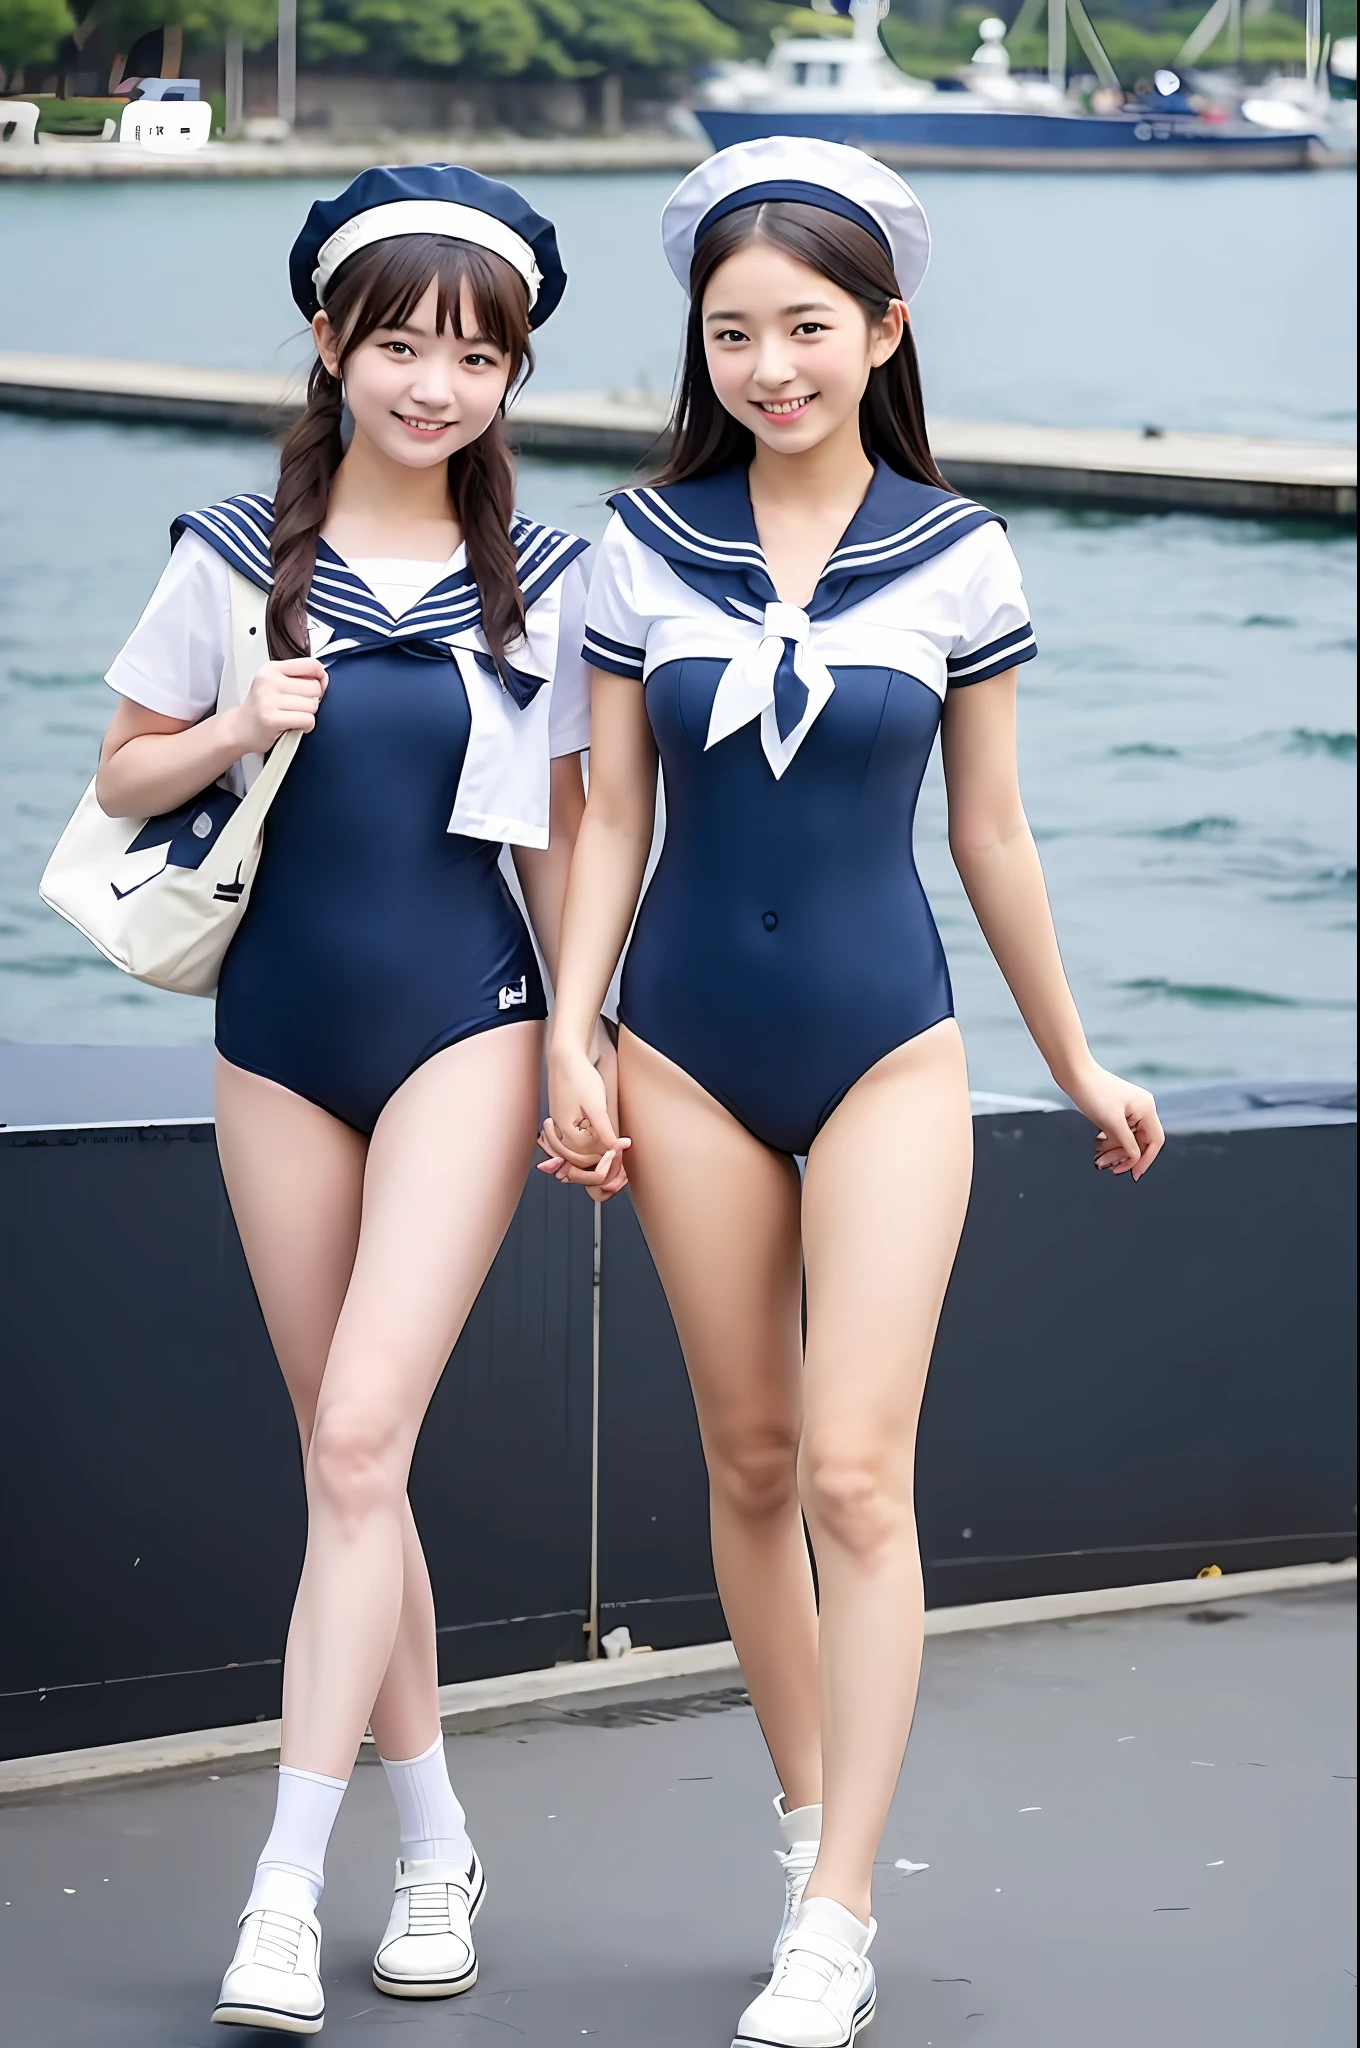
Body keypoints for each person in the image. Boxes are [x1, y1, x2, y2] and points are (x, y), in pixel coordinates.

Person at [540, 137, 1164, 2048]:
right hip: (687, 1044)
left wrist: (1075, 1056)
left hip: (894, 1047)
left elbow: (993, 833)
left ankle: (838, 1913)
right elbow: (612, 815)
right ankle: (811, 1814)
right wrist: (573, 1032)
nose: (768, 363)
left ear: (885, 328)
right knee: (743, 1464)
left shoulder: (958, 549)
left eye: (806, 325)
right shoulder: (641, 546)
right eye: (732, 331)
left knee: (852, 1472)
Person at [93, 164, 601, 2034]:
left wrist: (579, 1042)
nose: (434, 384)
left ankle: (280, 1895)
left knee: (362, 1444)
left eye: (475, 353)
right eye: (401, 342)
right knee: (347, 1467)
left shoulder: (547, 582)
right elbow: (130, 772)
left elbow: (560, 841)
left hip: (465, 1022)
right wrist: (243, 722)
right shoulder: (233, 550)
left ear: (511, 374)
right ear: (332, 343)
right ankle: (441, 1839)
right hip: (275, 1040)